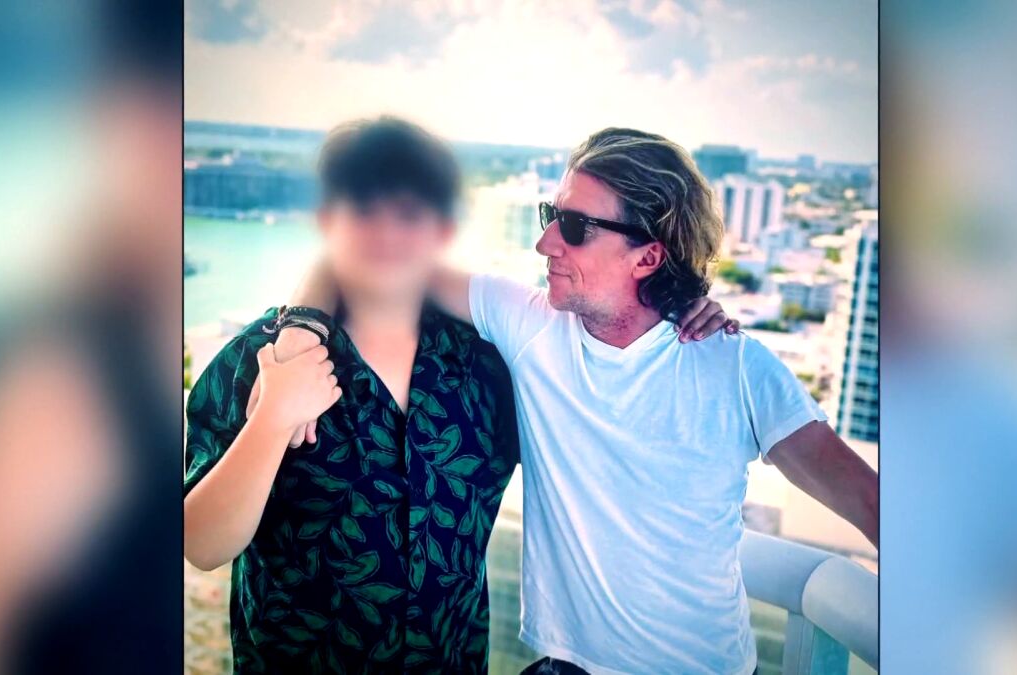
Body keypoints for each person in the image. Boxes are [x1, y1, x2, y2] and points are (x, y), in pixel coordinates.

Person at [274, 127, 878, 675]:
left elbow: (864, 497)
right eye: (551, 215)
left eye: (574, 227)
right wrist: (300, 331)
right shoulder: (531, 326)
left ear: (649, 256)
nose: (545, 243)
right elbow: (359, 257)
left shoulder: (735, 365)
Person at [183, 118, 737, 673]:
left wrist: (672, 310)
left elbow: (611, 427)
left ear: (443, 228)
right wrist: (273, 419)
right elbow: (202, 545)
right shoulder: (261, 359)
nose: (385, 233)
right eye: (362, 208)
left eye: (409, 212)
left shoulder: (488, 366)